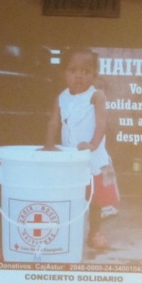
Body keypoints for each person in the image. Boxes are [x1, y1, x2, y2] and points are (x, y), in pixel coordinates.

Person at [44, 46, 119, 250]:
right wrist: (49, 145)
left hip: (94, 158)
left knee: (96, 199)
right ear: (64, 73)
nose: (79, 76)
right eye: (73, 70)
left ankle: (95, 232)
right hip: (71, 159)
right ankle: (68, 231)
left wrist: (93, 144)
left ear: (94, 74)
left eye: (86, 71)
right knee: (70, 196)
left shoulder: (96, 96)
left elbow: (102, 123)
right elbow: (54, 122)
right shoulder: (61, 98)